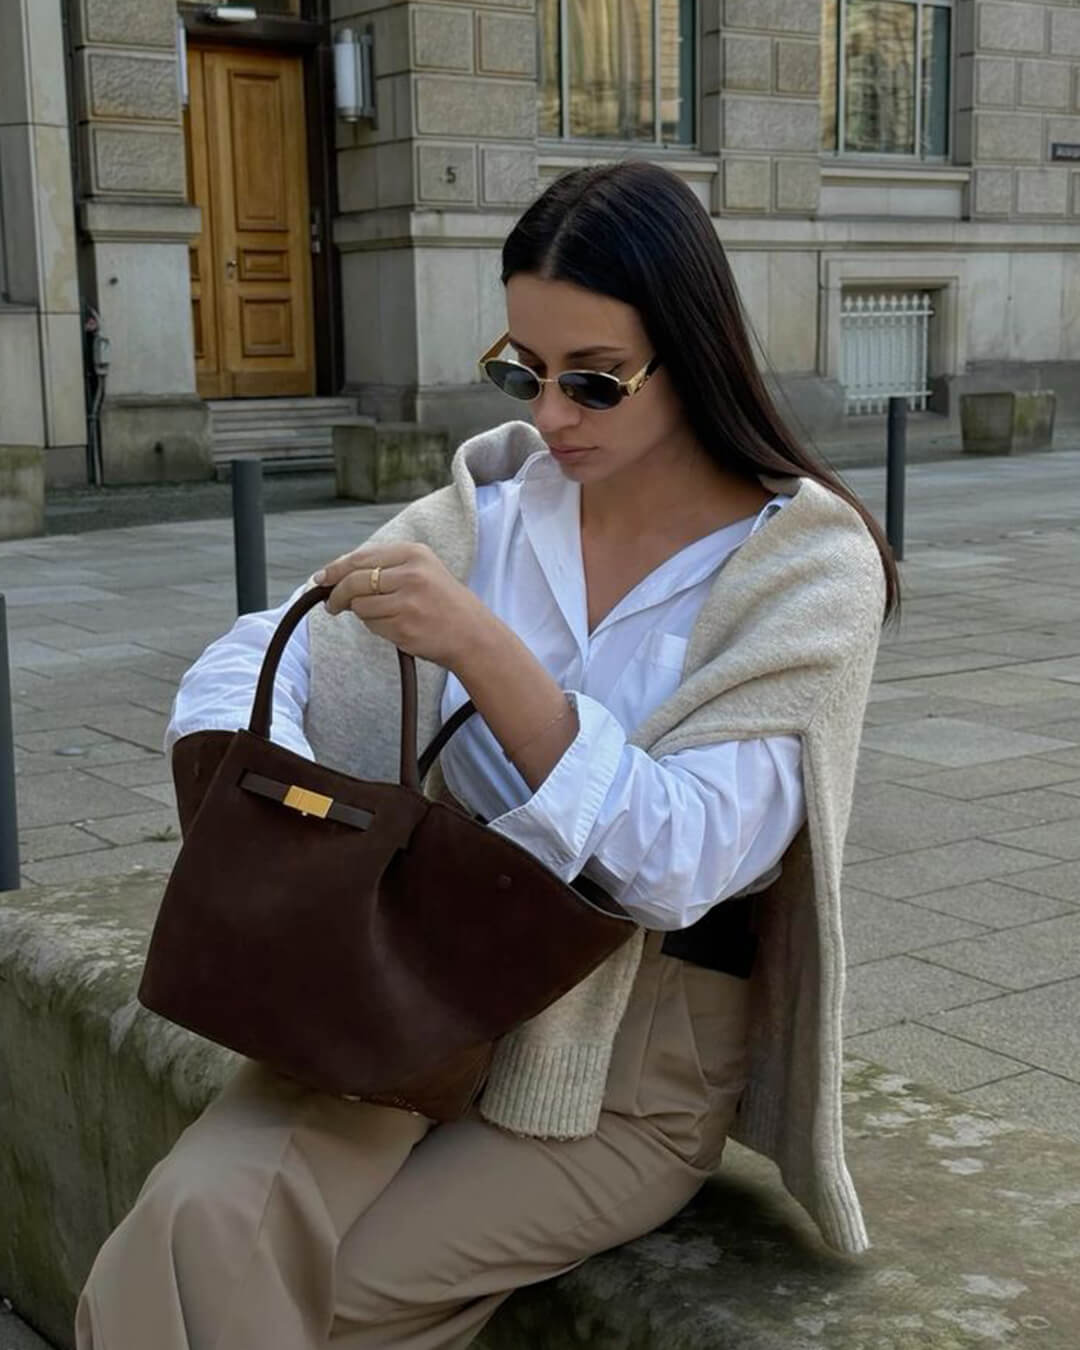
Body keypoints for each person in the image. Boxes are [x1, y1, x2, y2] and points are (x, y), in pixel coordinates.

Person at [76, 161, 897, 1350]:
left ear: (696, 354)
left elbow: (684, 863)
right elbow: (268, 651)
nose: (551, 416)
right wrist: (275, 788)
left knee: (296, 1293)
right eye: (523, 371)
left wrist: (485, 653)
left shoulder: (804, 572)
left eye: (595, 380)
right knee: (197, 1223)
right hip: (409, 992)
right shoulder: (492, 515)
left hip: (624, 1065)